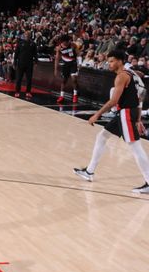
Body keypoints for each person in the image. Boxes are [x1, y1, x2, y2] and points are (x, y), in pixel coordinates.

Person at [74, 50, 149, 194]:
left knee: (135, 147)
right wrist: (138, 118)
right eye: (108, 61)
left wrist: (97, 114)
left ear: (120, 61)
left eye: (112, 61)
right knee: (102, 136)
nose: (109, 64)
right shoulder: (133, 74)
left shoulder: (121, 77)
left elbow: (113, 101)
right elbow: (141, 95)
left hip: (126, 113)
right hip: (127, 112)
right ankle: (89, 172)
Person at [54, 34, 79, 104]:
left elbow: (79, 54)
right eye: (63, 42)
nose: (65, 43)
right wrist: (55, 69)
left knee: (74, 79)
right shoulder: (59, 47)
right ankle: (61, 96)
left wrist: (80, 63)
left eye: (66, 42)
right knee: (64, 80)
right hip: (65, 64)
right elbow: (57, 59)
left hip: (73, 63)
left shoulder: (73, 45)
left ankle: (75, 95)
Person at [13, 30, 38, 98]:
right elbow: (16, 54)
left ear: (30, 35)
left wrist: (36, 62)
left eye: (29, 34)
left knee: (29, 79)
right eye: (26, 34)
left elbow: (35, 54)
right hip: (20, 63)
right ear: (24, 35)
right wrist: (14, 62)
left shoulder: (33, 44)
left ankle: (28, 92)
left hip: (29, 64)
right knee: (18, 79)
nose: (27, 35)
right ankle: (17, 91)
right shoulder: (20, 43)